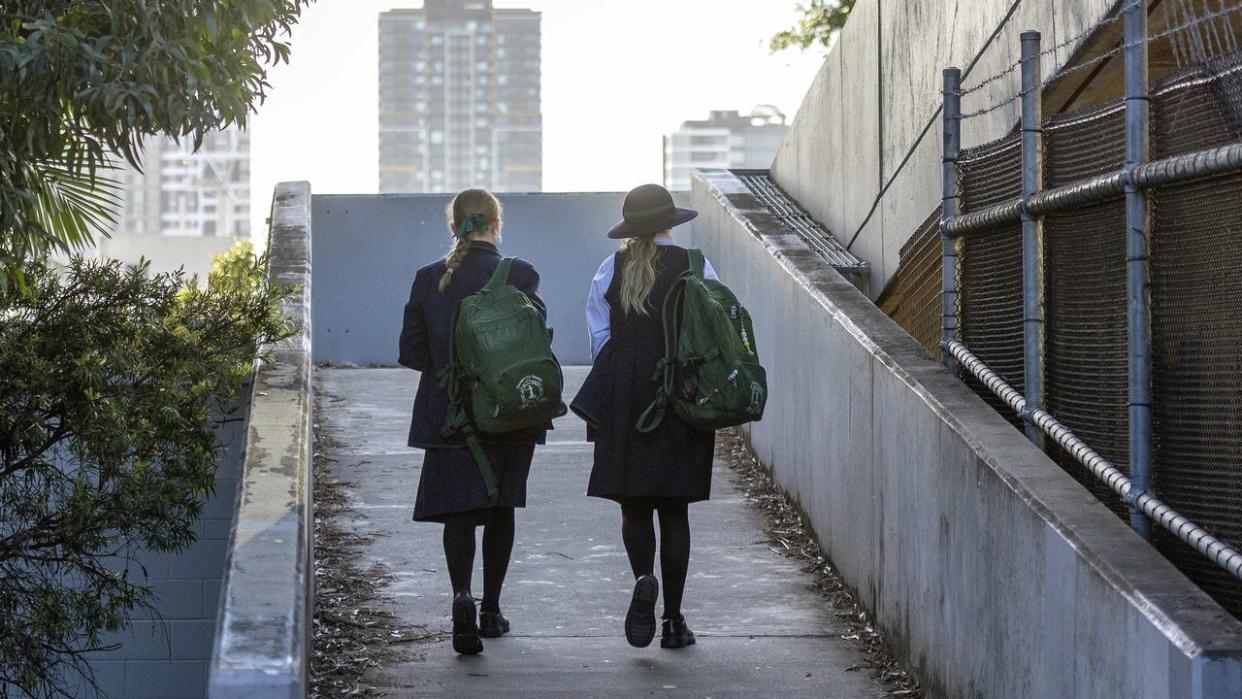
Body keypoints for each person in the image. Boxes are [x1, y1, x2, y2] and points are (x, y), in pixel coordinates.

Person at [398, 188, 547, 656]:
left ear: (454, 225)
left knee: (458, 513)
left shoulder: (428, 279)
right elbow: (538, 342)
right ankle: (491, 609)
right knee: (500, 508)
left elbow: (410, 353)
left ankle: (461, 595)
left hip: (448, 415)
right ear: (495, 223)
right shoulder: (519, 273)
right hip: (506, 411)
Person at [571, 184, 719, 650]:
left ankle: (642, 578)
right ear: (670, 222)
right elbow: (716, 326)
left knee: (634, 505)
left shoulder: (608, 268)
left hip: (622, 392)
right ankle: (674, 622)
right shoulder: (694, 265)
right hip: (680, 392)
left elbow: (599, 337)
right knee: (674, 511)